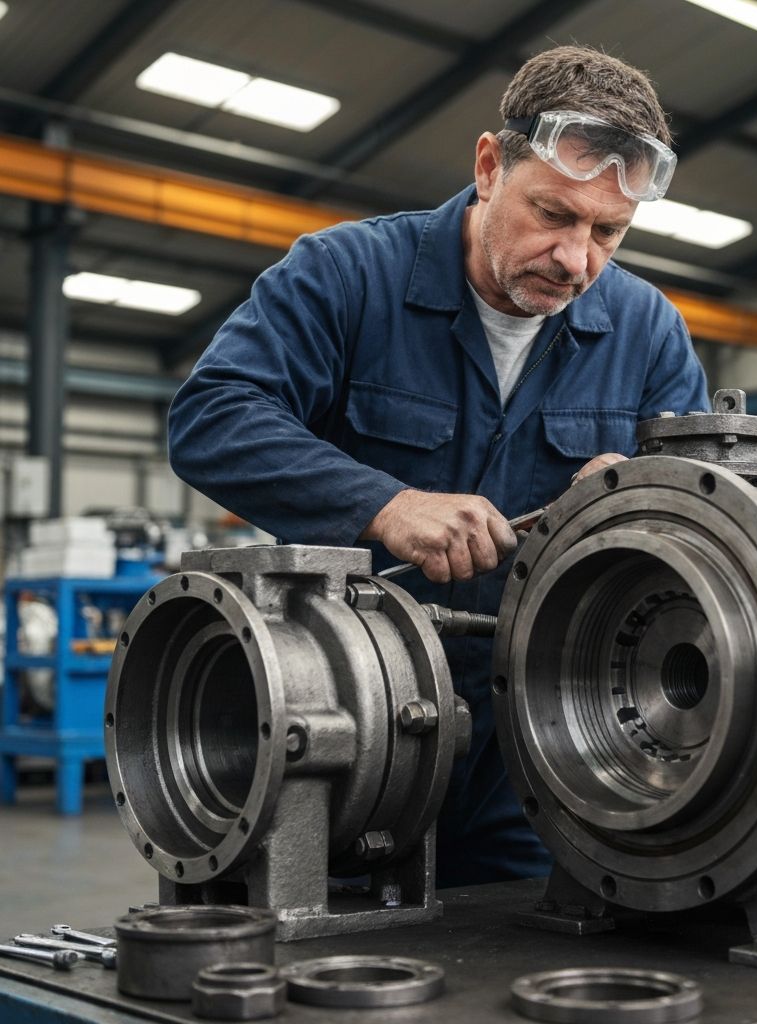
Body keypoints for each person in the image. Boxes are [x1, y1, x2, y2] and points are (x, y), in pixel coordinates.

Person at [167, 45, 709, 887]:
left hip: (539, 754)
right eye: (553, 215)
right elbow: (213, 417)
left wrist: (640, 495)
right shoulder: (345, 277)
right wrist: (384, 505)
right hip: (339, 732)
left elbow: (710, 512)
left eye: (608, 232)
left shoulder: (648, 331)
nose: (576, 260)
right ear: (491, 166)